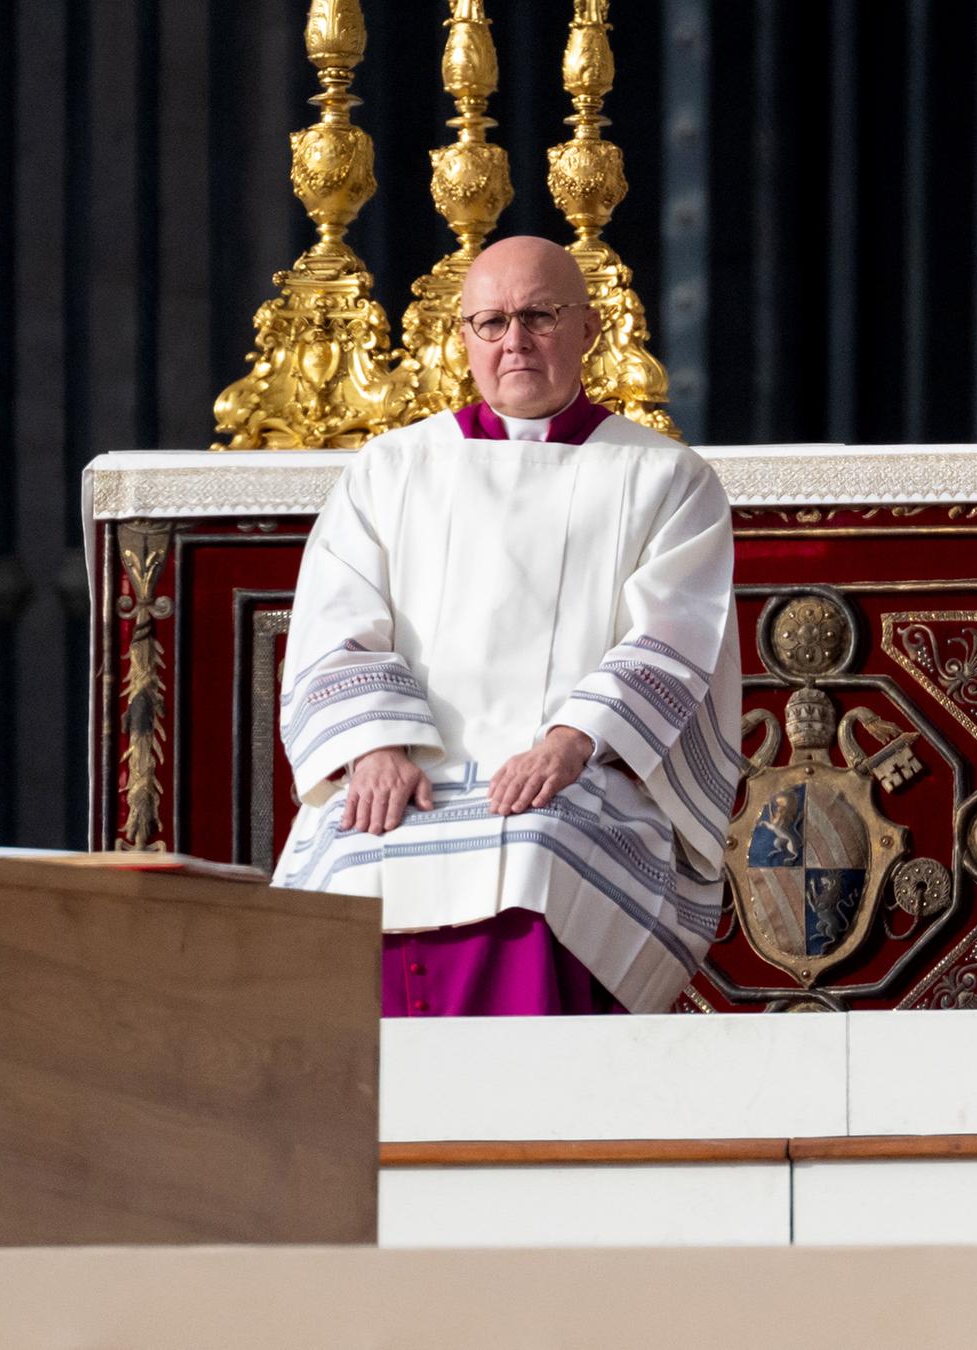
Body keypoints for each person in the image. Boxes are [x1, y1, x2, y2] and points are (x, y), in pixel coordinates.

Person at [271, 235, 742, 1016]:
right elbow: (337, 624)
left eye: (538, 316)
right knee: (357, 856)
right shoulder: (392, 469)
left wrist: (570, 742)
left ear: (590, 329)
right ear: (462, 338)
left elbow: (672, 641)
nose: (513, 341)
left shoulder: (666, 478)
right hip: (415, 768)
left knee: (534, 851)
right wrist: (376, 748)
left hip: (574, 771)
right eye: (490, 322)